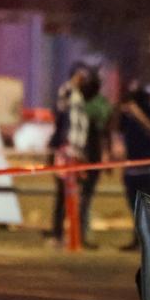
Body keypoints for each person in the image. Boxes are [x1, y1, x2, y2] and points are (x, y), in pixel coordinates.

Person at [49, 63, 92, 246]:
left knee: (75, 194)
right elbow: (59, 108)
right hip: (66, 150)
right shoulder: (67, 91)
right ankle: (57, 234)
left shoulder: (81, 97)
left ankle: (70, 234)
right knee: (62, 193)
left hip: (77, 151)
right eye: (79, 75)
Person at [117, 80, 150, 251]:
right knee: (134, 208)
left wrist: (138, 114)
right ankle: (137, 240)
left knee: (149, 208)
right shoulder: (128, 117)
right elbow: (118, 131)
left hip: (149, 169)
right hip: (131, 168)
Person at [79, 71, 113, 249]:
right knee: (84, 196)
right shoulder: (100, 104)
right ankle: (81, 234)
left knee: (85, 196)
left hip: (90, 153)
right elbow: (107, 133)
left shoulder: (85, 103)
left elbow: (106, 132)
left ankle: (82, 234)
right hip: (90, 153)